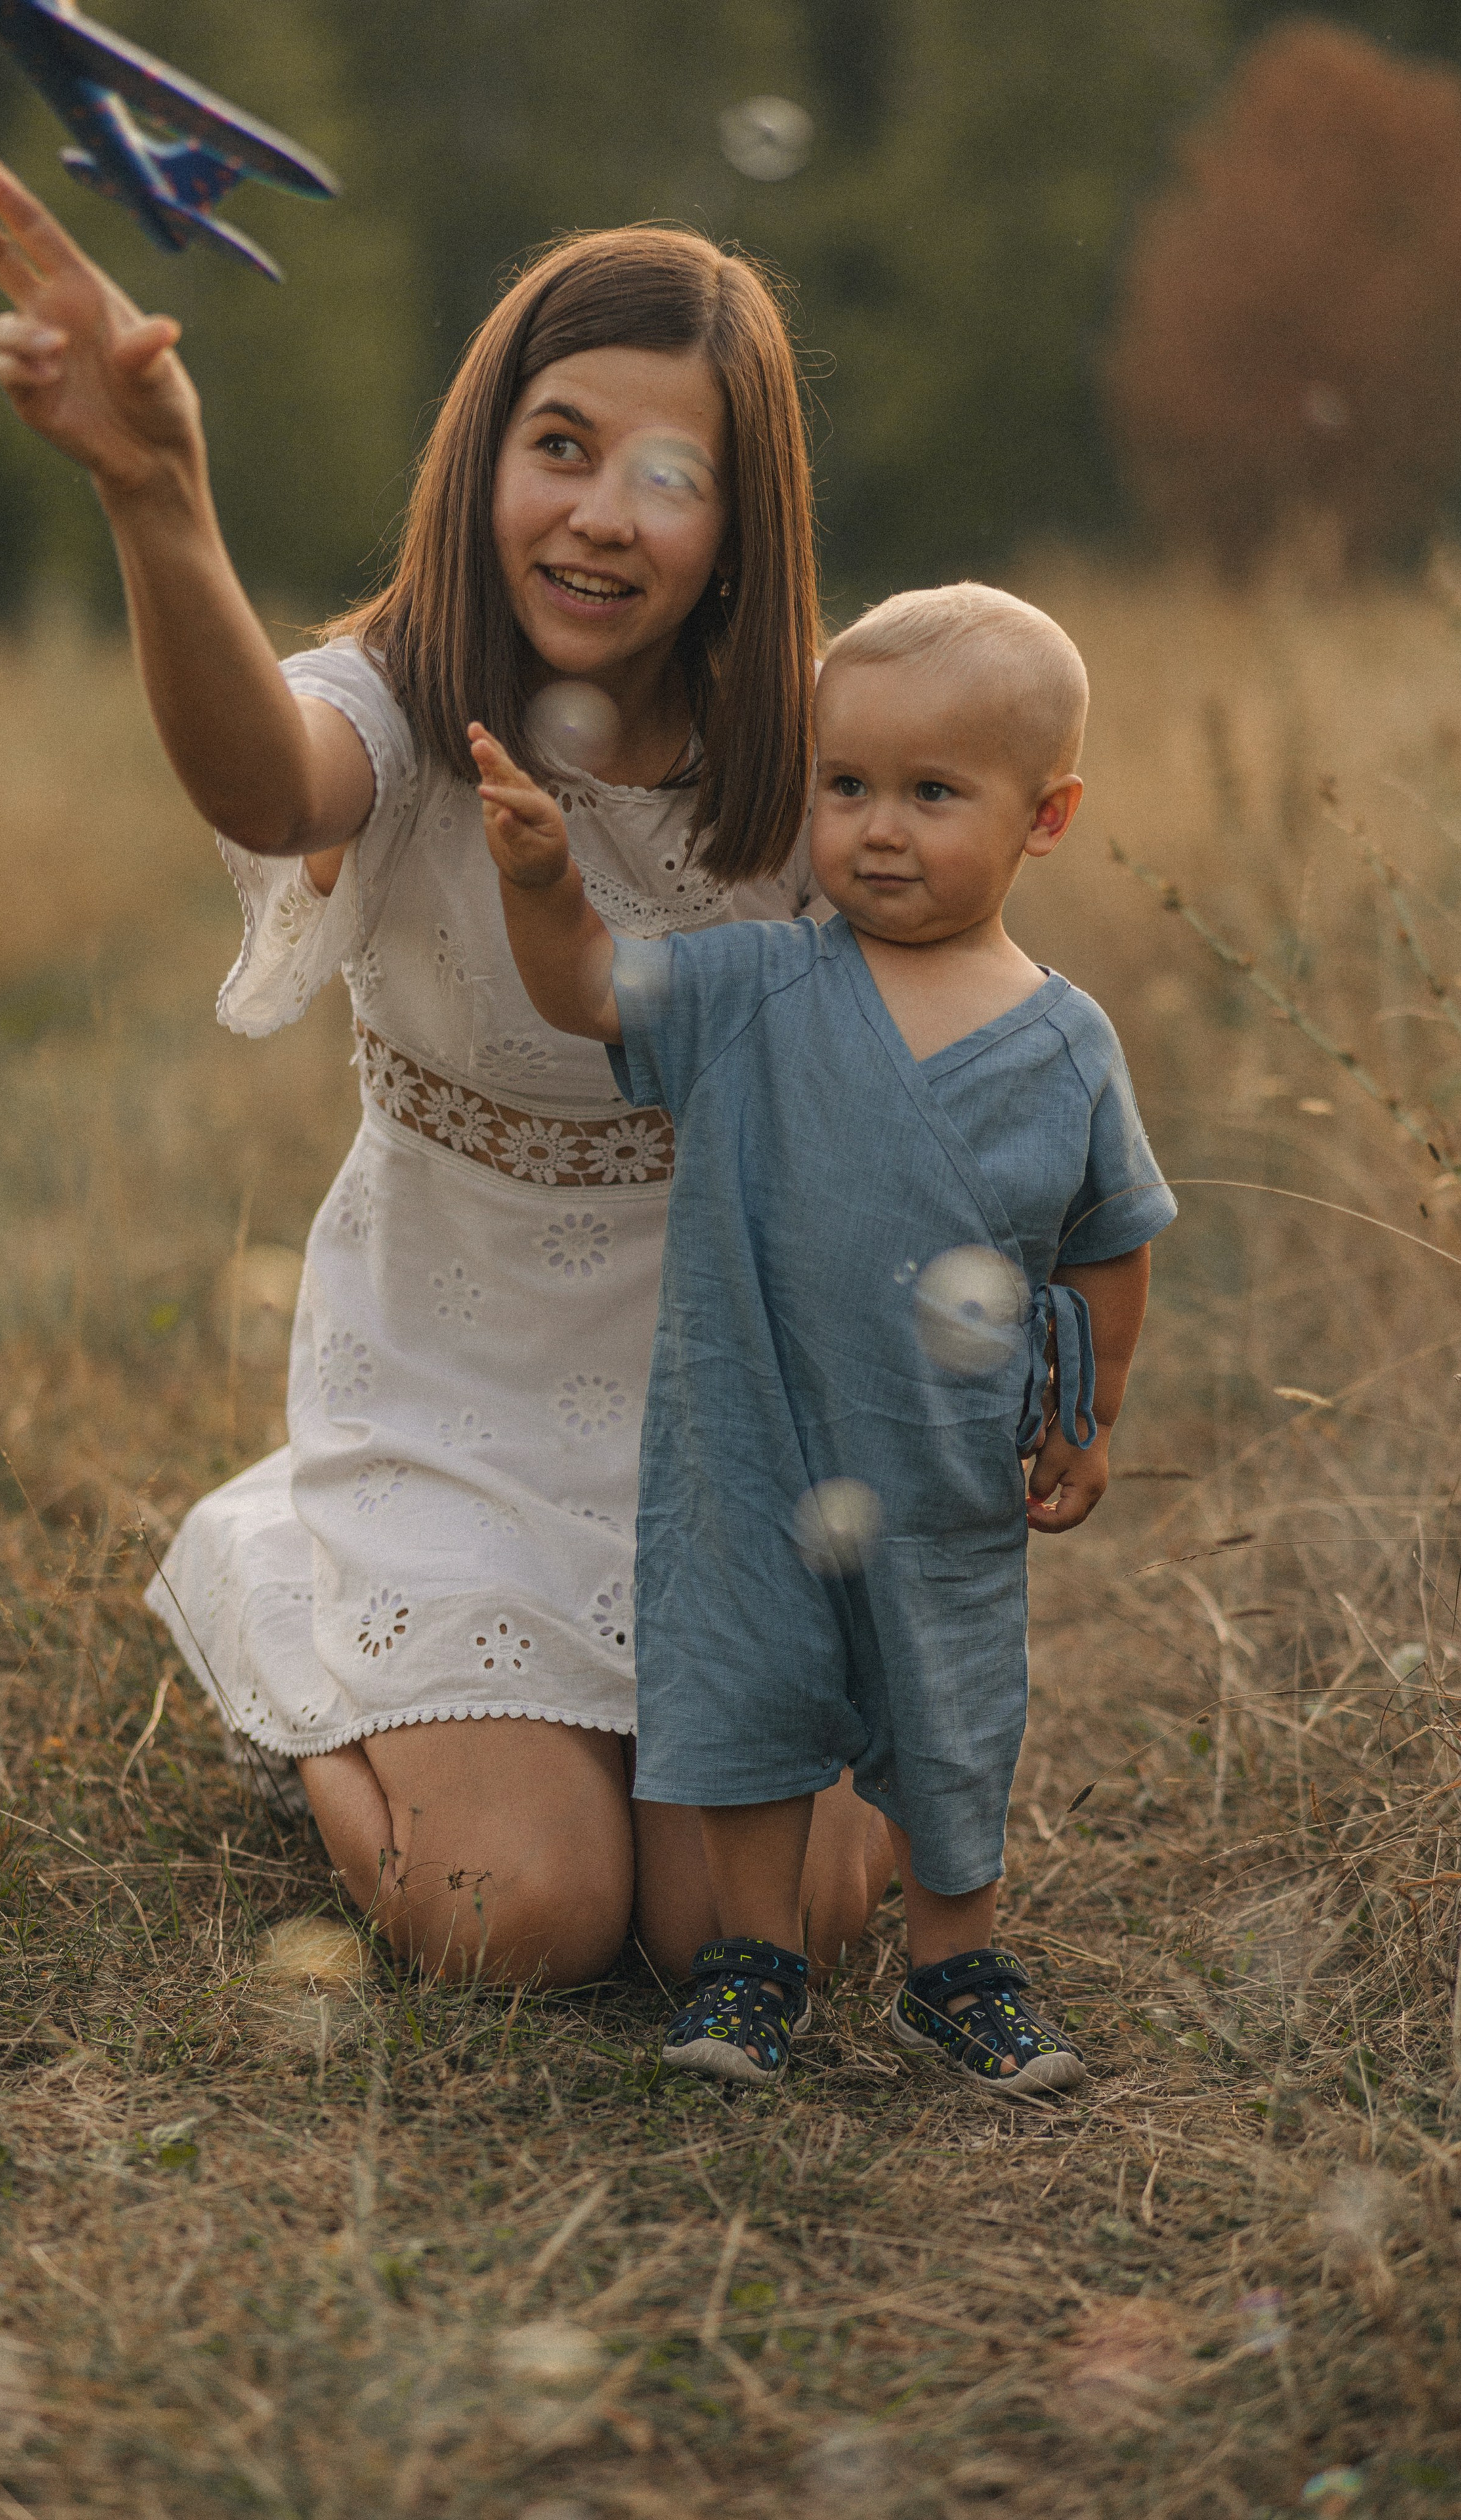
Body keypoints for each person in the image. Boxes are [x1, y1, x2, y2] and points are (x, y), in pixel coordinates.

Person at [0, 151, 896, 1989]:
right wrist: (157, 498)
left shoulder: (804, 760)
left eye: (669, 476)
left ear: (743, 525)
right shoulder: (401, 696)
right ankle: (303, 1613)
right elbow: (262, 781)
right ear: (483, 460)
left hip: (720, 1417)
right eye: (560, 444)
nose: (601, 516)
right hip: (448, 1404)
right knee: (524, 1920)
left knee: (775, 1925)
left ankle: (606, 1742)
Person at [473, 581, 1177, 2093]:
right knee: (743, 1681)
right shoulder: (750, 988)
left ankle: (955, 1965)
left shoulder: (1063, 1041)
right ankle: (748, 1965)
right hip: (749, 1436)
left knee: (952, 1709)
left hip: (943, 1468)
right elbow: (588, 989)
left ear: (1042, 819)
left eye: (932, 795)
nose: (875, 828)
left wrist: (1092, 1407)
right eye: (844, 786)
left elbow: (1111, 1234)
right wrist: (544, 886)